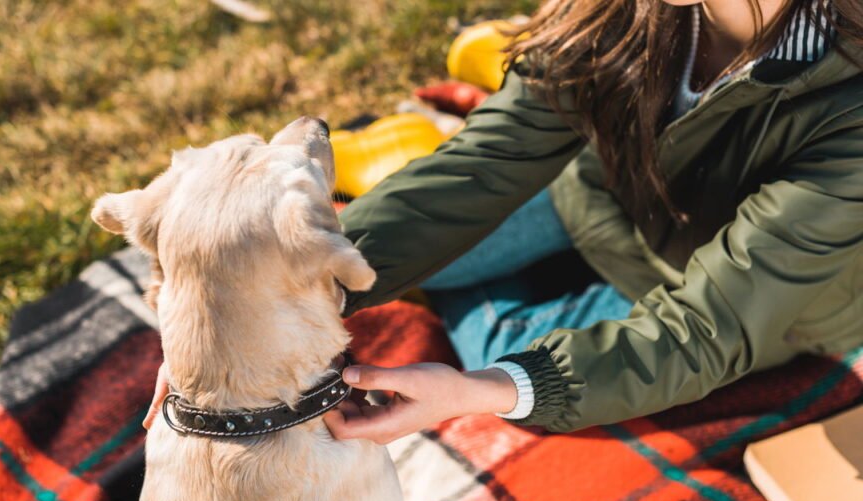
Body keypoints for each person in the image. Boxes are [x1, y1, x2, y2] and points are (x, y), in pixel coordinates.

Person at [323, 0, 863, 443]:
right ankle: (415, 152)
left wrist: (488, 389)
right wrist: (313, 280)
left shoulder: (850, 104)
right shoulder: (628, 10)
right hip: (605, 194)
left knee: (505, 374)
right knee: (361, 264)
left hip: (739, 296)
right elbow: (487, 162)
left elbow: (709, 327)